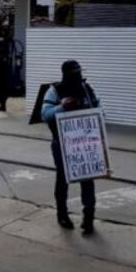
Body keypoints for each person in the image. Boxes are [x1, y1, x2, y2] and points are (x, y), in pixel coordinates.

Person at [42, 60, 101, 235]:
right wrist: (62, 107)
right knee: (62, 178)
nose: (77, 77)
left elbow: (98, 107)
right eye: (74, 73)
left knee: (88, 178)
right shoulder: (54, 90)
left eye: (79, 73)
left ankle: (88, 218)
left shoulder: (86, 89)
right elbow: (45, 114)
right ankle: (62, 214)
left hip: (85, 143)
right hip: (61, 142)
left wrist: (98, 116)